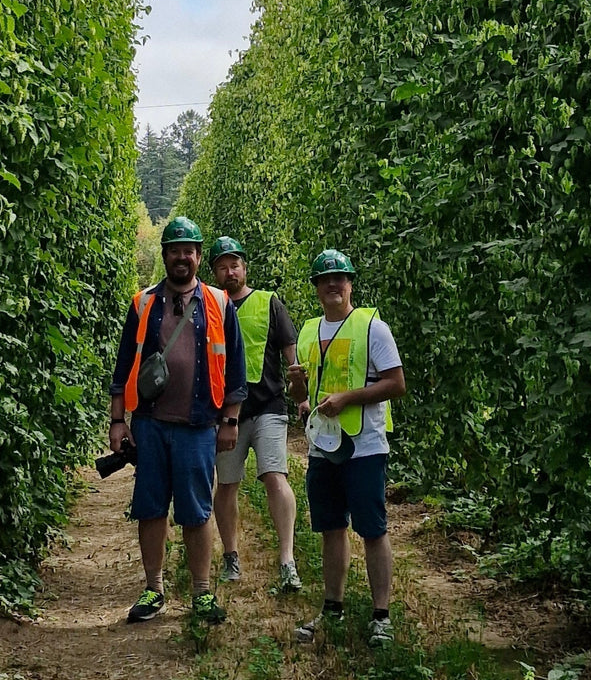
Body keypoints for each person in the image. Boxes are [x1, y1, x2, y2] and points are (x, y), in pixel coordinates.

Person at [108, 216, 247, 625]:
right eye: (175, 250)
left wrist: (231, 421)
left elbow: (236, 368)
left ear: (199, 257)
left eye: (189, 250)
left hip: (198, 426)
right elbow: (123, 367)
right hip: (150, 424)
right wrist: (119, 421)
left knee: (196, 510)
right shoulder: (143, 303)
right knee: (150, 508)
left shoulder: (219, 303)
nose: (181, 257)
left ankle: (201, 593)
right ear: (166, 256)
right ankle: (154, 589)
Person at [287, 249, 406, 647]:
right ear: (317, 288)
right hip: (323, 447)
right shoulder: (307, 332)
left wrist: (348, 398)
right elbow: (303, 394)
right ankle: (332, 608)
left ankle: (381, 616)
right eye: (325, 279)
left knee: (372, 529)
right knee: (331, 528)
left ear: (350, 283)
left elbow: (396, 383)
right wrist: (299, 389)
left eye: (340, 278)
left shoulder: (372, 327)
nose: (333, 285)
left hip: (365, 446)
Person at [209, 236, 302, 593]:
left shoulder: (268, 303)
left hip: (267, 406)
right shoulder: (209, 306)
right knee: (227, 484)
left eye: (235, 265)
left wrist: (300, 391)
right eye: (222, 266)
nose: (230, 271)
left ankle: (287, 560)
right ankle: (231, 557)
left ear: (244, 268)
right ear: (214, 271)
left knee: (275, 476)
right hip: (223, 413)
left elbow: (289, 352)